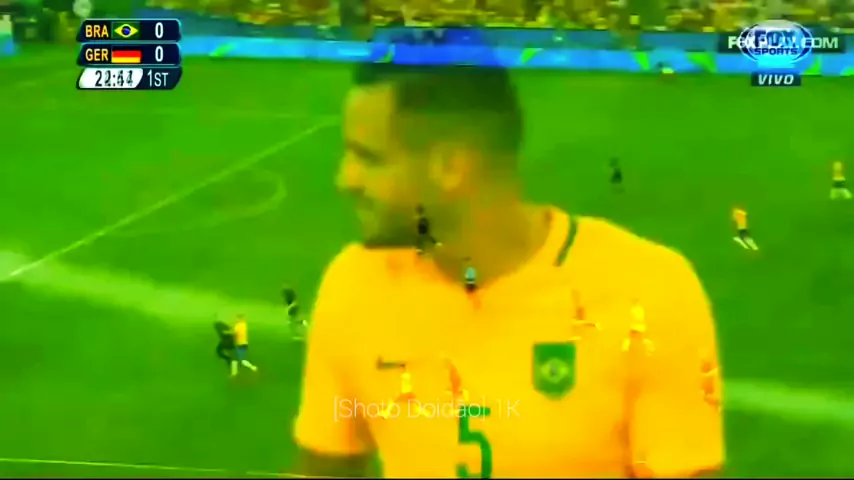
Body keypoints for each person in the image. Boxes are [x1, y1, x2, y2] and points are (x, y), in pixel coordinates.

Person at [294, 64, 723, 478]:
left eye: (368, 159)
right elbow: (327, 467)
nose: (344, 179)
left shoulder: (646, 292)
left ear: (450, 167)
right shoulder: (354, 285)